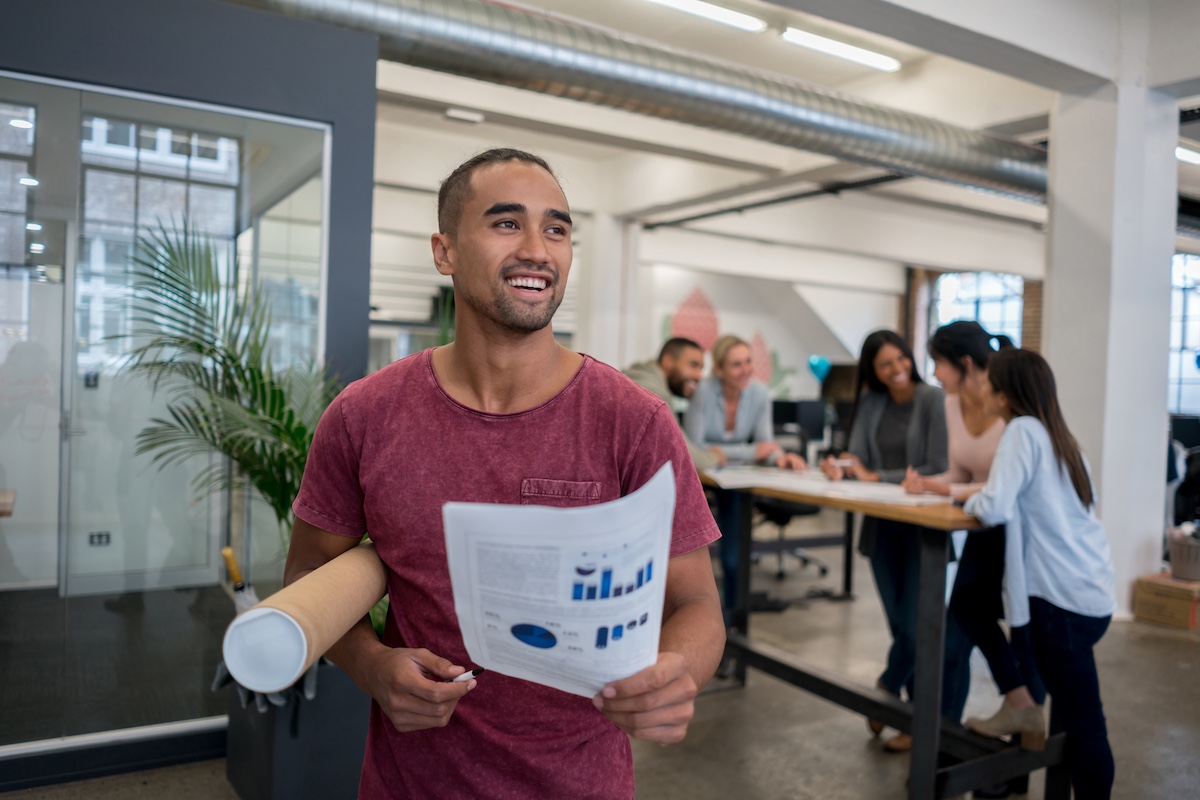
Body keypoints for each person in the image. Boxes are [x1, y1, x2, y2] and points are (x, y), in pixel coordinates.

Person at [285, 148, 725, 799]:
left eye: (556, 229)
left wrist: (674, 673)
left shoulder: (632, 421)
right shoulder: (364, 416)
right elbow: (306, 577)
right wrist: (373, 666)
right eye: (504, 223)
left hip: (582, 782)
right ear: (445, 251)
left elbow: (695, 603)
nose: (538, 249)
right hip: (413, 782)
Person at [960, 348, 1116, 799]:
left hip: (1059, 605)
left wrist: (965, 501)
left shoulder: (1021, 431)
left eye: (991, 382)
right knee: (1077, 718)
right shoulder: (1060, 437)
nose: (984, 388)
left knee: (1086, 726)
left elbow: (994, 507)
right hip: (1089, 595)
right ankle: (1020, 722)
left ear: (1005, 394)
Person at [902, 321, 1043, 798]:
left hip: (1022, 534)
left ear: (963, 363)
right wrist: (929, 482)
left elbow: (1009, 487)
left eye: (938, 363)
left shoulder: (1012, 405)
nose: (934, 374)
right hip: (982, 529)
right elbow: (962, 471)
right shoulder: (951, 402)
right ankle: (945, 750)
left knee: (1024, 643)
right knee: (957, 632)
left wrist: (949, 489)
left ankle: (1012, 769)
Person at [819, 329, 964, 753]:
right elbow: (857, 457)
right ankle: (910, 718)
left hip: (924, 527)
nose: (897, 370)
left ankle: (886, 688)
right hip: (883, 526)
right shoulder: (872, 402)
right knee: (902, 624)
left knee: (919, 626)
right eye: (886, 365)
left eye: (901, 360)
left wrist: (873, 476)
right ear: (874, 371)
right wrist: (840, 466)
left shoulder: (933, 400)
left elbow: (937, 466)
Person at [684, 334, 805, 620]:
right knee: (695, 552)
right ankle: (698, 610)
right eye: (736, 364)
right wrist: (750, 452)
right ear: (720, 370)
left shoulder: (760, 393)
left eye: (748, 361)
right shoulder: (704, 391)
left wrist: (780, 457)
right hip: (700, 477)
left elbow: (766, 444)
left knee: (733, 552)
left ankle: (732, 614)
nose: (745, 369)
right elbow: (694, 445)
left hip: (733, 479)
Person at [623, 337, 724, 470]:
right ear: (668, 361)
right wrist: (715, 458)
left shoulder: (639, 378)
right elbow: (682, 455)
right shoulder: (652, 392)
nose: (699, 375)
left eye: (701, 368)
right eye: (693, 365)